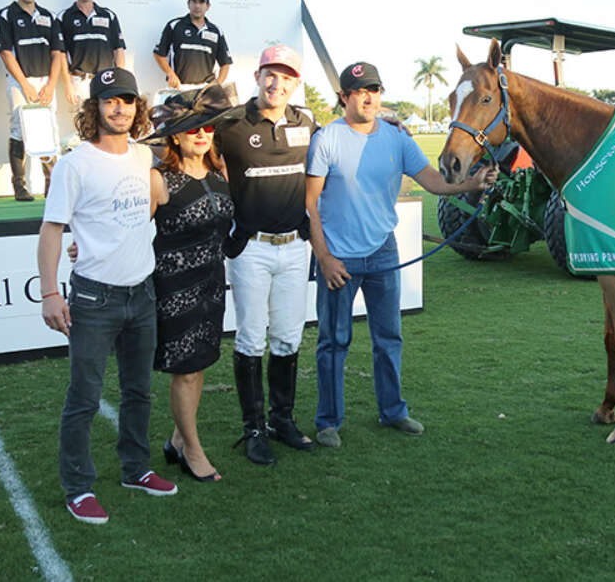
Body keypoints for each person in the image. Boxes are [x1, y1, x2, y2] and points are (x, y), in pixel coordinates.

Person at [305, 61, 498, 448]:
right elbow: (310, 205)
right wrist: (324, 258)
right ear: (344, 97)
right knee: (333, 341)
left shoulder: (398, 139)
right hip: (338, 258)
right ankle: (328, 421)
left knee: (389, 337)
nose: (367, 97)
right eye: (359, 91)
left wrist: (471, 183)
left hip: (382, 253)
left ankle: (392, 411)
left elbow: (431, 180)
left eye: (373, 90)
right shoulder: (325, 139)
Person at [37, 67, 177, 525]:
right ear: (93, 108)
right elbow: (52, 230)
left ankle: (135, 469)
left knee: (138, 391)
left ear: (137, 108)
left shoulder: (142, 157)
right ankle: (78, 488)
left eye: (127, 100)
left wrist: (154, 165)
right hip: (95, 298)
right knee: (85, 397)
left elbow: (151, 204)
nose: (119, 108)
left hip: (143, 292)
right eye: (109, 100)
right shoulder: (75, 164)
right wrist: (51, 292)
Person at [213, 45, 316, 465]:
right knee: (252, 338)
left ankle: (281, 420)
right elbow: (199, 153)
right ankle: (253, 428)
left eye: (286, 77)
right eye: (270, 75)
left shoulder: (306, 122)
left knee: (289, 337)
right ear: (257, 76)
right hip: (251, 249)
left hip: (295, 247)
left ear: (295, 83)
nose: (277, 84)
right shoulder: (232, 123)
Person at [144, 85, 235, 482]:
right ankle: (193, 452)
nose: (201, 134)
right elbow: (130, 230)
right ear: (174, 136)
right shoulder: (159, 179)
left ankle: (177, 439)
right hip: (173, 289)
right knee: (185, 371)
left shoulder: (221, 174)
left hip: (213, 284)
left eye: (207, 128)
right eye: (191, 128)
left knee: (198, 368)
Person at [0, 0, 64, 200]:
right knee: (18, 129)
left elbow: (57, 53)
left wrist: (51, 84)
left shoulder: (48, 16)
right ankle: (19, 187)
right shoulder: (5, 15)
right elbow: (5, 53)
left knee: (47, 130)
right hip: (19, 80)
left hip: (45, 80)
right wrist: (25, 84)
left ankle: (50, 184)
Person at [58, 0, 126, 111]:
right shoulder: (64, 17)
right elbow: (61, 54)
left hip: (106, 80)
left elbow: (118, 49)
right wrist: (68, 84)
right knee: (83, 126)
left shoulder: (108, 15)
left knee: (105, 125)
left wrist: (120, 81)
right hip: (79, 81)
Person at [153, 0, 231, 91]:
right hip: (179, 88)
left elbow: (225, 63)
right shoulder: (174, 25)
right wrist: (170, 73)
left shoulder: (216, 31)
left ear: (208, 6)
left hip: (205, 91)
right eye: (194, 2)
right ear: (188, 4)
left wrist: (217, 86)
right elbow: (159, 54)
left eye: (201, 2)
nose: (197, 6)